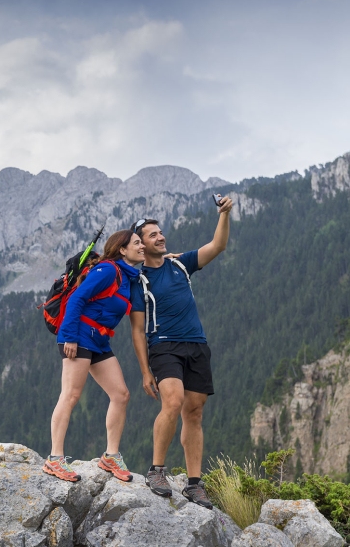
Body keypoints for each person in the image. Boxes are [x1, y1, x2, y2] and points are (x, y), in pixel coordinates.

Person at [128, 195, 233, 510]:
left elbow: (217, 246)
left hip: (197, 345)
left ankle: (193, 484)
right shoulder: (138, 280)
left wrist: (224, 214)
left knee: (195, 412)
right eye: (152, 235)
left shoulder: (179, 263)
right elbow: (136, 329)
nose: (160, 237)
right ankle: (157, 470)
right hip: (163, 346)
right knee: (172, 401)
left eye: (160, 232)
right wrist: (146, 371)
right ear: (141, 245)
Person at [44, 230, 144, 483]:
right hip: (78, 335)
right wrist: (68, 336)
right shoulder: (108, 270)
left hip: (99, 340)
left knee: (121, 394)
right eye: (137, 243)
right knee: (71, 395)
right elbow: (78, 297)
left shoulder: (128, 276)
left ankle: (111, 456)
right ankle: (55, 459)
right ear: (122, 249)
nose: (142, 246)